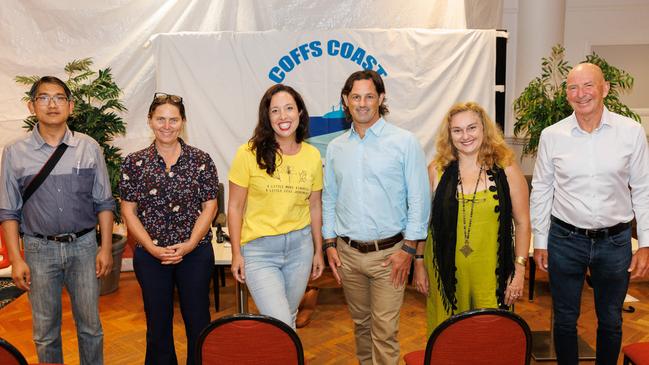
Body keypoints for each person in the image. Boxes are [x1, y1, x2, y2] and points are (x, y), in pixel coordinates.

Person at [531, 63, 649, 365]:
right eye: (572, 87)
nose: (580, 94)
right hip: (565, 239)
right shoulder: (552, 135)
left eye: (587, 86)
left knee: (611, 319)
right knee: (565, 319)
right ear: (566, 94)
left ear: (605, 88)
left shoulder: (631, 133)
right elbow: (542, 189)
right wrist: (540, 241)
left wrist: (646, 244)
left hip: (615, 242)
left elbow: (644, 190)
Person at [0, 76, 114, 365]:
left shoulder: (89, 148)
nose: (52, 104)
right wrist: (17, 258)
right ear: (31, 105)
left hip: (85, 247)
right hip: (39, 251)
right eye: (43, 97)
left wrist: (105, 248)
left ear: (70, 106)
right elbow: (8, 212)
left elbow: (104, 202)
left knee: (91, 328)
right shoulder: (15, 153)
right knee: (45, 332)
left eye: (59, 97)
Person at [322, 70, 430, 365]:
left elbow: (419, 200)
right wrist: (329, 243)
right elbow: (329, 197)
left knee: (384, 333)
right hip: (348, 254)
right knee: (361, 327)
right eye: (355, 97)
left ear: (381, 98)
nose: (362, 103)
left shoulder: (404, 142)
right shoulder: (335, 148)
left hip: (390, 257)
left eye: (369, 96)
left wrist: (408, 250)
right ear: (346, 100)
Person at [413, 102, 530, 335]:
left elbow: (523, 223)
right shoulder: (436, 171)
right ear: (449, 135)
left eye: (471, 128)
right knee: (448, 339)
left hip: (491, 274)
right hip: (444, 275)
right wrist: (418, 263)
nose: (465, 136)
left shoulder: (506, 169)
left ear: (484, 129)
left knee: (489, 337)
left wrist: (519, 271)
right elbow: (423, 224)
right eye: (457, 130)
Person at [120, 93, 218, 365]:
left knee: (198, 319)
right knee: (157, 322)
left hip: (195, 253)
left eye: (173, 119)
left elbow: (210, 206)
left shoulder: (201, 160)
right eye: (160, 119)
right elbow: (128, 211)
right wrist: (151, 247)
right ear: (150, 121)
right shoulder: (134, 163)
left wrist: (188, 244)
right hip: (150, 255)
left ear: (182, 122)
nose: (167, 125)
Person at [228, 84, 324, 328]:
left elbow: (314, 207)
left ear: (300, 113)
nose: (283, 117)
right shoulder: (248, 153)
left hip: (300, 249)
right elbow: (236, 207)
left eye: (289, 108)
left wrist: (318, 250)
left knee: (288, 318)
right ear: (267, 117)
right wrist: (236, 253)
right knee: (281, 323)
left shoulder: (312, 155)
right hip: (260, 252)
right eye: (275, 111)